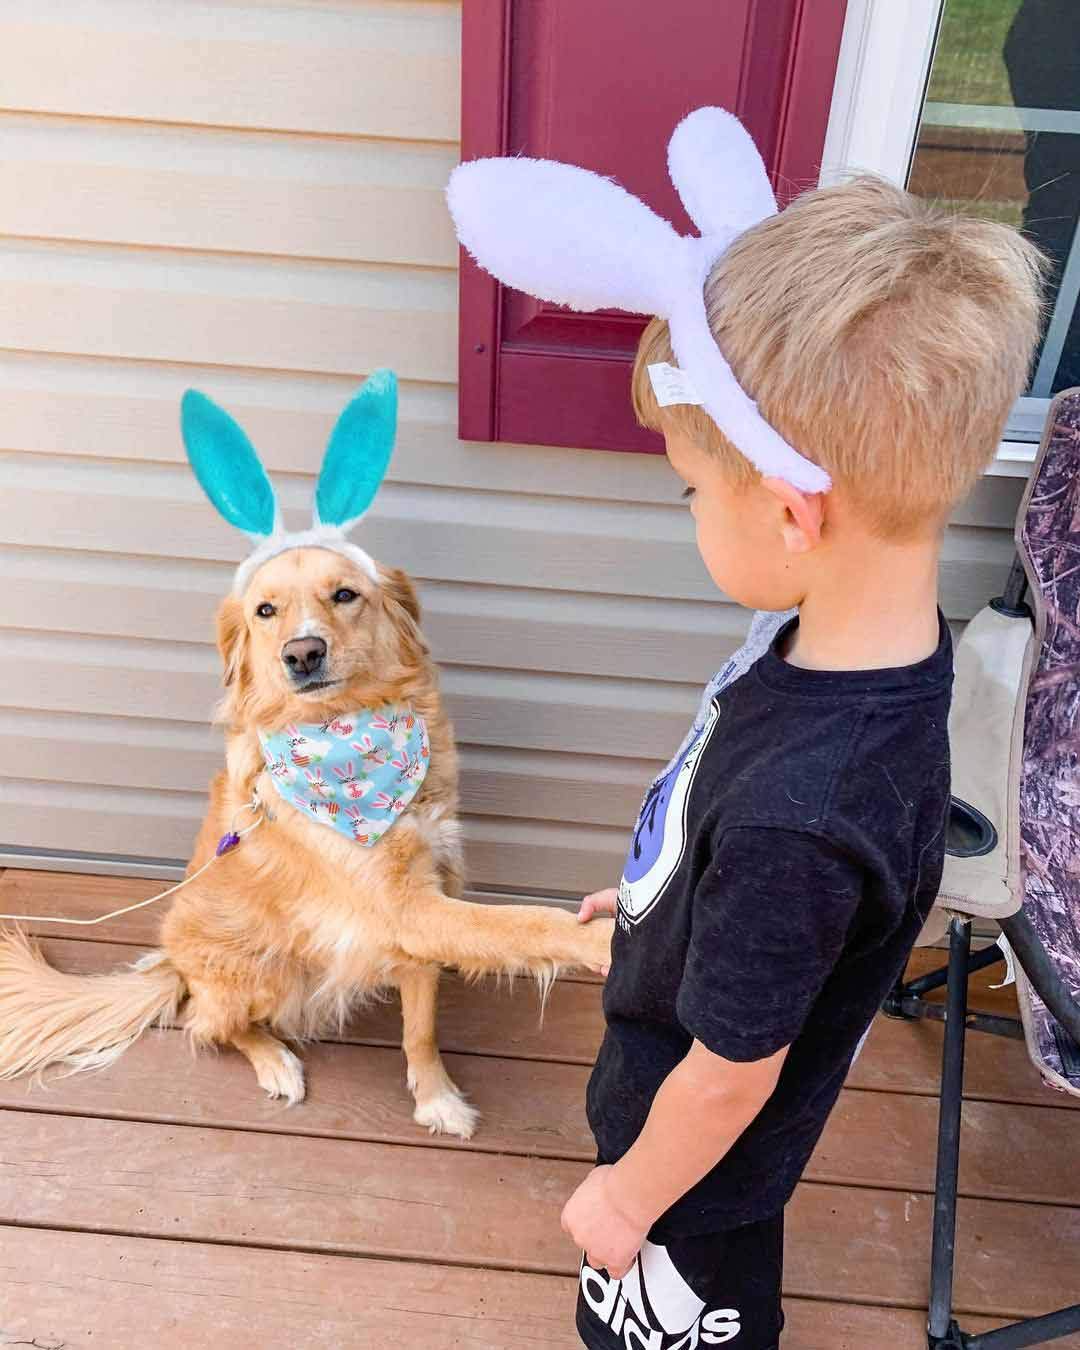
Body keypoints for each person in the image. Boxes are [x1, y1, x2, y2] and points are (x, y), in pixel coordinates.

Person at [561, 177, 1045, 1348]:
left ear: (789, 516)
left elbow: (728, 1076)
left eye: (689, 487)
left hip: (690, 1176)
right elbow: (733, 839)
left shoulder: (804, 820)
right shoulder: (853, 652)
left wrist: (628, 1197)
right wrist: (658, 897)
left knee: (665, 1323)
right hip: (681, 1095)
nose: (686, 510)